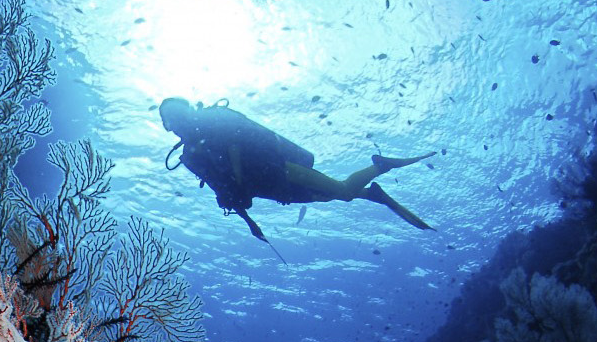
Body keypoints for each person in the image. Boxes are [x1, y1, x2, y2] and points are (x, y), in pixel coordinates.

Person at [159, 97, 435, 243]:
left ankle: (379, 166)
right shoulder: (190, 156)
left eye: (172, 118)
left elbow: (234, 145)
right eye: (167, 122)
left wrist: (241, 184)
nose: (171, 125)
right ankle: (373, 194)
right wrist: (248, 221)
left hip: (277, 168)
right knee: (332, 195)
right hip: (271, 188)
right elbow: (219, 186)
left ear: (184, 113)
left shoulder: (212, 122)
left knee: (342, 191)